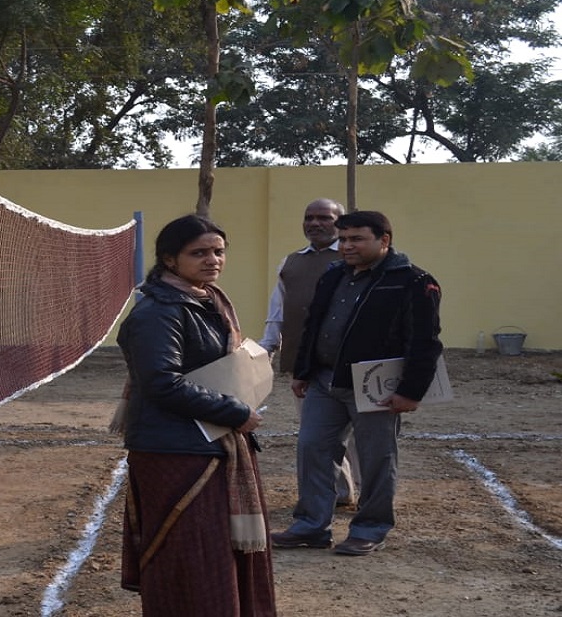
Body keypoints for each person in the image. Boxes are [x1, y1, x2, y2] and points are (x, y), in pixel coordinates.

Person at [116, 214, 276, 616]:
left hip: (214, 442)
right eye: (199, 253)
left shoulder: (209, 302)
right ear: (170, 259)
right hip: (175, 451)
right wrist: (235, 411)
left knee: (215, 554)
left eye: (218, 251)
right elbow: (162, 383)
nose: (212, 260)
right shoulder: (158, 313)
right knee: (192, 556)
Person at [271, 210, 442, 556]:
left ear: (384, 240)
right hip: (324, 381)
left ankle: (370, 528)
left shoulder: (413, 281)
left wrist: (410, 392)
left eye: (357, 239)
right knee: (313, 449)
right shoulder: (334, 274)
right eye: (344, 239)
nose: (347, 246)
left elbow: (425, 341)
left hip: (374, 387)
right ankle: (311, 526)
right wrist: (303, 370)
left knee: (376, 458)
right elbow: (313, 325)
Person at [261, 198, 360, 507]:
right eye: (309, 217)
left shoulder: (355, 259)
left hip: (352, 362)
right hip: (305, 364)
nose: (315, 223)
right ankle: (340, 492)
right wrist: (268, 346)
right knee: (318, 433)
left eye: (324, 218)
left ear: (340, 222)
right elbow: (279, 309)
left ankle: (370, 494)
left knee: (360, 436)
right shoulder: (290, 263)